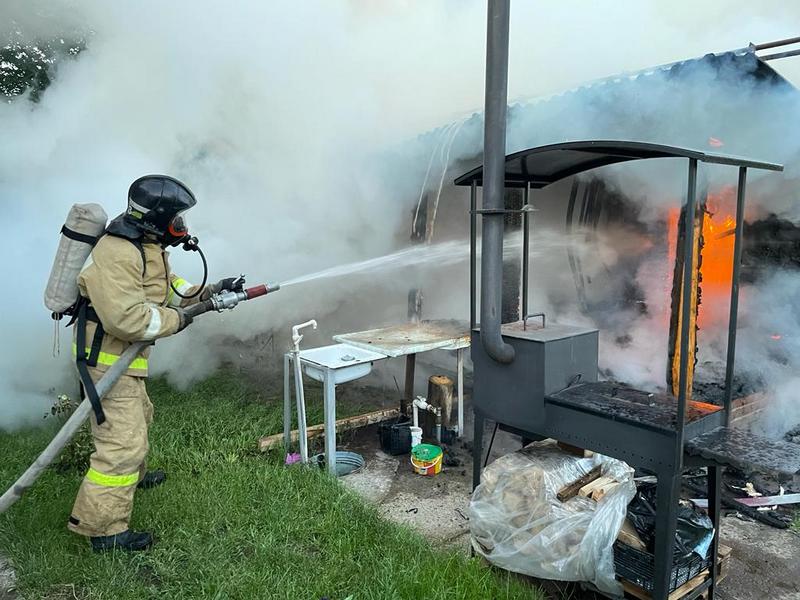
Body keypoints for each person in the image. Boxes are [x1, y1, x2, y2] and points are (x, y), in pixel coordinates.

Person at [67, 175, 243, 552]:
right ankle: (104, 530)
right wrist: (179, 319)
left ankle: (134, 477)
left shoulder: (147, 245)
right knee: (120, 444)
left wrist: (209, 291)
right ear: (159, 216)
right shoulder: (118, 251)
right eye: (177, 219)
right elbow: (126, 319)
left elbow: (167, 287)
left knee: (140, 417)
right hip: (106, 363)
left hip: (125, 363)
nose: (182, 227)